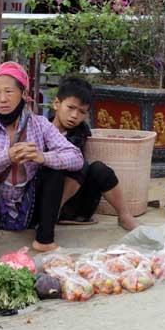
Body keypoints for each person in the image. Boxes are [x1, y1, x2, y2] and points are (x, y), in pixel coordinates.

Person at [0, 61, 83, 264]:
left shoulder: (40, 124)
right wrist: (7, 156)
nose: (2, 99)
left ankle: (44, 240)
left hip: (28, 207)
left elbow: (76, 158)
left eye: (8, 92)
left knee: (53, 170)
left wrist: (43, 157)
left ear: (24, 94)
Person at [50, 77, 139, 231]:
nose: (74, 115)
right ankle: (50, 212)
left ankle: (125, 216)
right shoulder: (41, 128)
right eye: (70, 107)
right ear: (57, 104)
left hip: (76, 206)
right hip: (46, 195)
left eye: (81, 112)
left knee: (96, 168)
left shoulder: (80, 133)